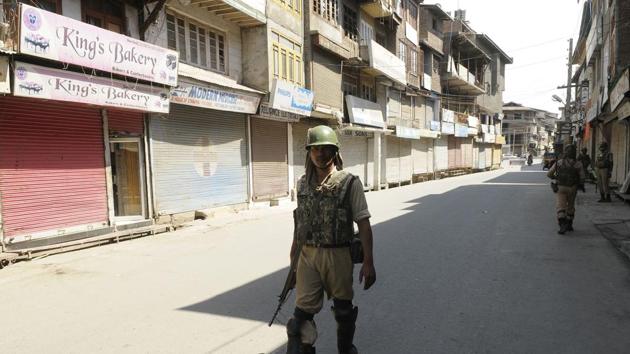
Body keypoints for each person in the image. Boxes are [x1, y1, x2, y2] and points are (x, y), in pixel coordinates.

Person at [286, 125, 376, 354]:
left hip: (338, 255)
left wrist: (368, 262)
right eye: (315, 149)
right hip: (307, 256)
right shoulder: (302, 184)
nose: (320, 154)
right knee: (299, 321)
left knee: (344, 312)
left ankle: (346, 350)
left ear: (335, 151)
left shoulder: (349, 183)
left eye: (326, 149)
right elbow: (300, 225)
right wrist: (293, 262)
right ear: (309, 152)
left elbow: (363, 224)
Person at [547, 144, 585, 234]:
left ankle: (562, 225)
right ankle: (569, 224)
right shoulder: (578, 164)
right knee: (571, 206)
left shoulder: (559, 162)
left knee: (561, 206)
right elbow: (582, 177)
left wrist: (555, 178)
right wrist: (580, 185)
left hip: (561, 187)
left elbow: (549, 174)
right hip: (573, 188)